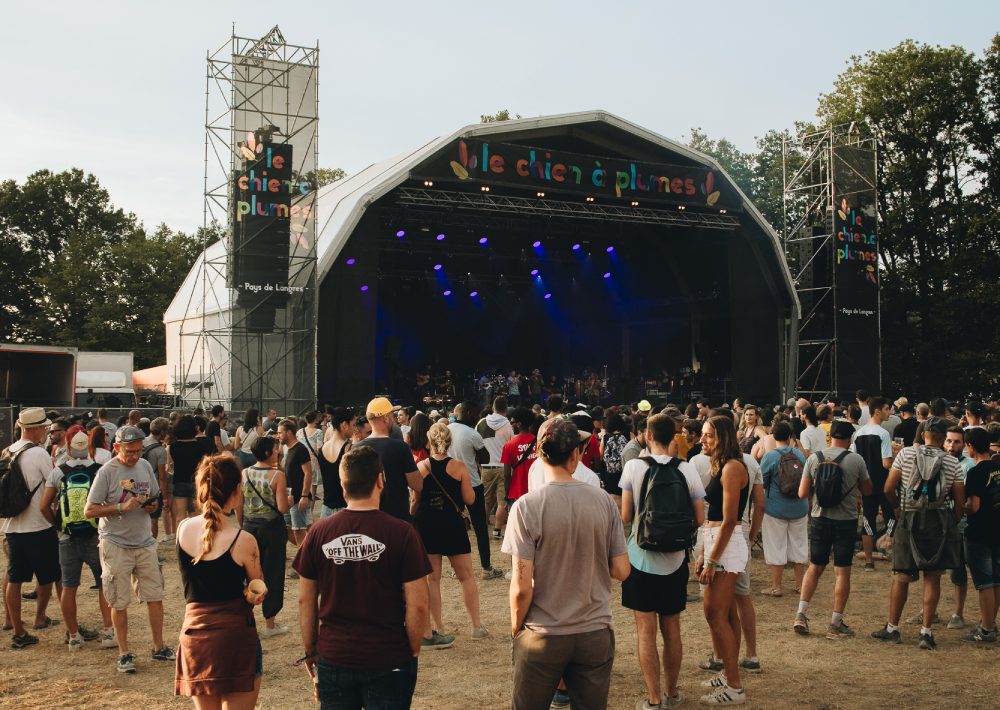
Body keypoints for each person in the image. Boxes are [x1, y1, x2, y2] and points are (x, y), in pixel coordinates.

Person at [503, 417, 629, 710]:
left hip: (543, 632)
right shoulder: (603, 501)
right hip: (594, 630)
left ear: (539, 453)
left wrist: (516, 627)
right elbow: (622, 570)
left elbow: (521, 585)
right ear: (575, 454)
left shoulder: (526, 507)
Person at [295, 446, 431, 709]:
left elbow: (306, 600)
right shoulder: (402, 533)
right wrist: (412, 649)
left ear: (343, 486)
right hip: (388, 655)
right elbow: (418, 603)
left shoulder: (318, 533)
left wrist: (311, 649)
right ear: (380, 480)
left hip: (335, 655)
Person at [619, 414, 706, 710]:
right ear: (674, 437)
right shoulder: (687, 468)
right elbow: (700, 518)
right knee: (672, 630)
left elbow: (626, 516)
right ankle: (671, 693)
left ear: (648, 435)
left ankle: (654, 699)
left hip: (640, 559)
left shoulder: (633, 467)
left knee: (645, 631)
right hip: (675, 561)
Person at [176, 454, 266, 707]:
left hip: (195, 639)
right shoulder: (244, 540)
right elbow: (256, 592)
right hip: (235, 639)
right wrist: (255, 593)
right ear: (237, 490)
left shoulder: (182, 529)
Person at [83, 425, 174, 673]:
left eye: (138, 451)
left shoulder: (144, 466)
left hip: (144, 542)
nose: (134, 456)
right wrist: (120, 507)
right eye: (129, 451)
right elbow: (89, 510)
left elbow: (154, 497)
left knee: (155, 596)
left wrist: (152, 506)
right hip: (115, 543)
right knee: (119, 600)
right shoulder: (107, 472)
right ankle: (124, 653)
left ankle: (159, 646)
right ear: (116, 448)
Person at [871, 416, 966, 649]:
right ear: (944, 439)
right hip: (938, 521)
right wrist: (951, 521)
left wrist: (898, 508)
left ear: (923, 435)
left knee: (901, 576)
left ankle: (892, 628)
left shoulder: (906, 454)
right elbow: (959, 502)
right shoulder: (952, 463)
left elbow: (888, 488)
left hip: (909, 518)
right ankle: (926, 632)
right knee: (933, 577)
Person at [793, 420, 872, 638]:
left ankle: (801, 614)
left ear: (831, 436)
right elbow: (867, 490)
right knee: (842, 571)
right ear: (850, 438)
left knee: (815, 567)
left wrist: (817, 494)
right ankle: (835, 624)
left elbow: (802, 493)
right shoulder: (856, 460)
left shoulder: (814, 458)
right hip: (846, 520)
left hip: (820, 518)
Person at [39, 430, 117, 650]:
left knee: (69, 587)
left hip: (67, 537)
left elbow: (43, 505)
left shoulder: (59, 472)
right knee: (103, 584)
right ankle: (108, 631)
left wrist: (57, 525)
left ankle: (73, 636)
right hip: (95, 535)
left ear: (69, 448)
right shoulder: (100, 470)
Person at [412, 422, 486, 649]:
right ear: (449, 442)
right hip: (452, 524)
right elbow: (470, 499)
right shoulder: (459, 467)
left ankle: (439, 626)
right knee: (467, 577)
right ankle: (476, 626)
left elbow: (415, 500)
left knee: (433, 579)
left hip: (427, 524)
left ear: (429, 442)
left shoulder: (421, 466)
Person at [696, 415, 750, 706]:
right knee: (726, 615)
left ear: (723, 438)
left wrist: (711, 560)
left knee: (714, 615)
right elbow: (715, 518)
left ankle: (735, 686)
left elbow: (729, 520)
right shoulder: (722, 466)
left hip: (726, 546)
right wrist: (704, 553)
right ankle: (729, 676)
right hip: (718, 542)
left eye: (708, 435)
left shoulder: (732, 468)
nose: (702, 440)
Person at [2, 408, 61, 649]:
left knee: (14, 578)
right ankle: (39, 617)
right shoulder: (38, 453)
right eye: (44, 428)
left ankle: (16, 628)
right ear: (35, 429)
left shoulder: (8, 451)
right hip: (38, 524)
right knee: (47, 576)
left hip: (12, 525)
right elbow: (54, 484)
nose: (46, 432)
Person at [240, 435, 291, 639]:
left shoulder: (244, 473)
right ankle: (270, 622)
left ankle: (246, 619)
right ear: (268, 452)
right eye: (275, 449)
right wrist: (290, 501)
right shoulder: (277, 475)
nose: (278, 451)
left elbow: (239, 504)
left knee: (249, 574)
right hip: (271, 529)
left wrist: (243, 524)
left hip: (249, 527)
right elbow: (282, 507)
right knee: (273, 573)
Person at [448, 402, 501, 579]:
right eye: (476, 414)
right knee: (480, 528)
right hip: (472, 484)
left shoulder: (446, 430)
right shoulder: (472, 434)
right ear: (469, 413)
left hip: (451, 484)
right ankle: (486, 568)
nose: (477, 417)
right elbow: (485, 458)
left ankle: (457, 568)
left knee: (455, 527)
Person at [757, 422, 808, 596]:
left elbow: (762, 481)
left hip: (775, 508)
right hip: (800, 507)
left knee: (775, 545)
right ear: (790, 436)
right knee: (799, 545)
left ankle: (776, 586)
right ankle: (800, 585)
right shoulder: (800, 454)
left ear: (773, 436)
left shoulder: (770, 456)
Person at [958, 427, 1000, 642]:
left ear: (970, 447)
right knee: (996, 580)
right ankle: (990, 623)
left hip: (980, 532)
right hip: (997, 529)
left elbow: (973, 506)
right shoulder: (998, 467)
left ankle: (986, 629)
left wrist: (960, 507)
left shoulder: (976, 472)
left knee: (984, 583)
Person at [353, 397, 423, 522]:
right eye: (392, 415)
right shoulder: (400, 447)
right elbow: (417, 485)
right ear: (385, 418)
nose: (394, 419)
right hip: (397, 518)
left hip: (367, 518)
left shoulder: (355, 449)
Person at [851, 396, 895, 571]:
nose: (889, 412)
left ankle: (869, 560)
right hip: (883, 483)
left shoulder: (858, 433)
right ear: (877, 411)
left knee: (868, 521)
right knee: (891, 517)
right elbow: (886, 463)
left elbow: (855, 458)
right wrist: (896, 459)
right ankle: (890, 550)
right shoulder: (883, 434)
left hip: (866, 483)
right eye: (886, 409)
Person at [476, 397, 514, 540]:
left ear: (493, 407)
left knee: (486, 500)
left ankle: (482, 528)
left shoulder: (481, 423)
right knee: (502, 501)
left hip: (485, 467)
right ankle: (497, 531)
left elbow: (476, 443)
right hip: (503, 467)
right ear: (506, 409)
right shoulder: (508, 425)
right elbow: (511, 445)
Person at [500, 408, 539, 532]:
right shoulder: (539, 443)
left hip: (518, 493)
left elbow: (507, 475)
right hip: (537, 492)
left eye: (512, 422)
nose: (511, 425)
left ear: (519, 424)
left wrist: (507, 496)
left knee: (518, 530)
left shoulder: (509, 445)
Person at [278, 418, 313, 549]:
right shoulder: (289, 449)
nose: (278, 435)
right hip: (290, 497)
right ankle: (307, 552)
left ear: (289, 432)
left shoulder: (300, 449)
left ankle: (305, 556)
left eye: (280, 432)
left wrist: (304, 496)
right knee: (285, 529)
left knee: (299, 530)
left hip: (299, 497)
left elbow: (308, 473)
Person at [168, 415, 205, 532]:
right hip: (196, 482)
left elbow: (170, 467)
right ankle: (194, 539)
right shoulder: (200, 446)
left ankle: (180, 538)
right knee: (195, 516)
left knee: (180, 516)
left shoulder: (173, 447)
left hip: (179, 481)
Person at [317, 407, 354, 518]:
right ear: (344, 425)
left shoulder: (323, 448)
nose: (354, 429)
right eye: (353, 425)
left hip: (326, 509)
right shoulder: (349, 449)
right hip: (345, 507)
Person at [143, 417, 170, 542]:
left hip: (137, 485)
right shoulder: (160, 450)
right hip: (153, 488)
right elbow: (162, 477)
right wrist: (165, 497)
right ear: (163, 431)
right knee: (153, 520)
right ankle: (151, 547)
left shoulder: (141, 442)